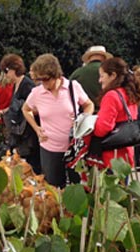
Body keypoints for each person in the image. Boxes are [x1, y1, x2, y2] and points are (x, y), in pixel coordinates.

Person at [23, 53, 94, 188]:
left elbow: (89, 105)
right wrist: (37, 128)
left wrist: (83, 119)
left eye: (46, 79)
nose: (43, 84)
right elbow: (26, 109)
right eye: (40, 80)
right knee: (53, 189)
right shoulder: (37, 92)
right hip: (49, 148)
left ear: (55, 74)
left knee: (77, 188)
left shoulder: (73, 87)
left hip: (74, 148)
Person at [89, 57, 140, 170]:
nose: (99, 80)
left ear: (113, 75)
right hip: (126, 156)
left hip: (111, 158)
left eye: (102, 76)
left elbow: (102, 128)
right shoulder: (129, 93)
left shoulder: (111, 95)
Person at [0, 53, 41, 174]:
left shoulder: (27, 85)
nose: (6, 75)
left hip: (29, 133)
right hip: (20, 133)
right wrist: (4, 111)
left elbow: (33, 108)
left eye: (6, 71)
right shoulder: (15, 85)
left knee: (32, 165)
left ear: (12, 69)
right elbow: (15, 105)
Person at [70, 45, 113, 112]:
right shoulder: (111, 73)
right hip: (107, 113)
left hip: (84, 115)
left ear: (89, 58)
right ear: (105, 58)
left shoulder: (77, 73)